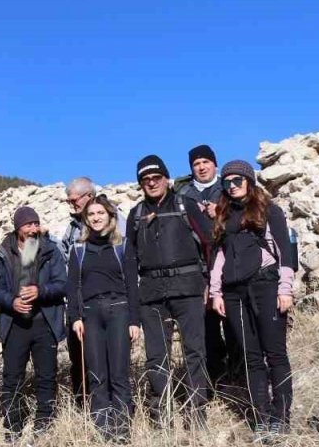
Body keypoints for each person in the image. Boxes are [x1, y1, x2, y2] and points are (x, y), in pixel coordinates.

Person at [209, 160, 295, 439]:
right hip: (234, 293)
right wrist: (216, 292)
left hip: (265, 286)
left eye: (237, 181)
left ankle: (281, 417)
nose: (232, 186)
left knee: (275, 353)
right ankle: (262, 417)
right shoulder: (223, 215)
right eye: (227, 182)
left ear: (249, 181)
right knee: (251, 357)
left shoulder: (269, 210)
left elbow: (285, 251)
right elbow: (219, 257)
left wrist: (285, 289)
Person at [126, 155, 213, 427]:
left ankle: (196, 413)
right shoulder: (136, 214)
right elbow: (130, 262)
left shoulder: (186, 205)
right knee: (156, 356)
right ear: (141, 184)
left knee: (195, 351)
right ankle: (159, 417)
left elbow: (209, 243)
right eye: (146, 180)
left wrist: (211, 283)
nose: (151, 183)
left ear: (166, 179)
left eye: (156, 178)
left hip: (188, 289)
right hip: (151, 294)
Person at [66, 195, 140, 443]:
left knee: (119, 373)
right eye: (91, 214)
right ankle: (103, 430)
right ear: (86, 220)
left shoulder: (123, 245)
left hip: (119, 309)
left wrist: (134, 320)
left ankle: (122, 430)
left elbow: (132, 284)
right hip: (90, 314)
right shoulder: (79, 249)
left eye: (100, 213)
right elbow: (72, 286)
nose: (96, 218)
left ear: (110, 216)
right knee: (97, 374)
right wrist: (75, 317)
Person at [0, 206, 67, 442]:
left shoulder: (50, 250)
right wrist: (12, 302)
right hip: (15, 324)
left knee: (47, 376)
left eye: (36, 223)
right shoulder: (3, 252)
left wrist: (40, 291)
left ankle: (43, 426)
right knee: (12, 377)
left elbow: (62, 284)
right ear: (18, 228)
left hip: (44, 321)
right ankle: (13, 428)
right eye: (28, 225)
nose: (33, 229)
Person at [53, 177, 127, 409]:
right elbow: (68, 262)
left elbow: (126, 260)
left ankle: (120, 419)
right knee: (87, 363)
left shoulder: (117, 221)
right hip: (84, 306)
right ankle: (91, 412)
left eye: (73, 200)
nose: (71, 204)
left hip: (115, 305)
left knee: (116, 367)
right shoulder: (72, 228)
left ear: (88, 196)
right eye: (68, 201)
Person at [175, 144, 237, 388]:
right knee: (206, 329)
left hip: (229, 263)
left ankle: (237, 375)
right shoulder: (182, 193)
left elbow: (247, 213)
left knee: (233, 324)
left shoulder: (229, 186)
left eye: (205, 162)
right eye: (196, 164)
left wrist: (221, 212)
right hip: (197, 268)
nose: (201, 167)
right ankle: (216, 380)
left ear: (214, 164)